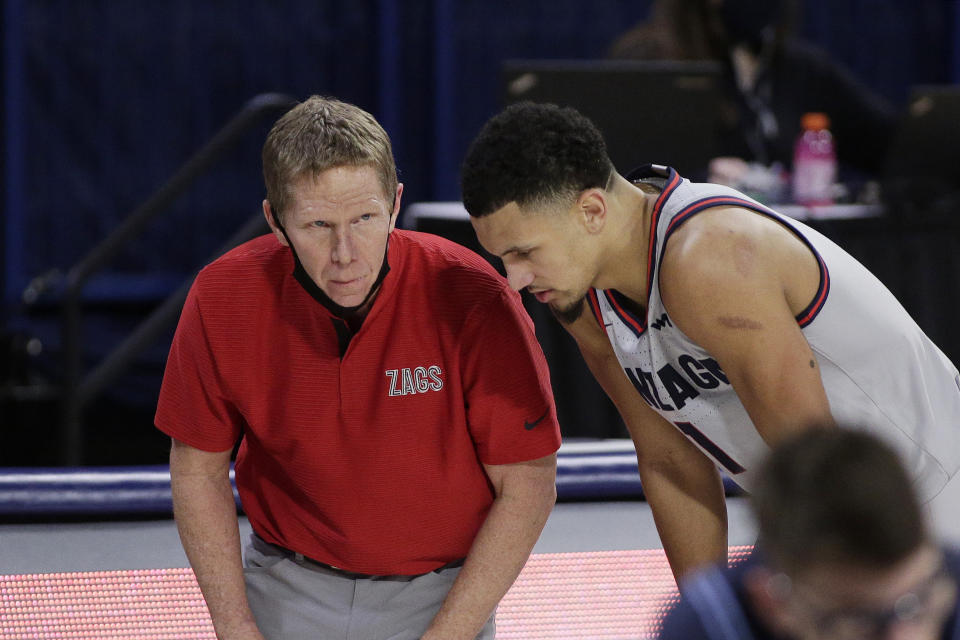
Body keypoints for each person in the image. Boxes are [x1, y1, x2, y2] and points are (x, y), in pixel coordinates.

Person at [460, 101, 960, 584]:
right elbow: (670, 461)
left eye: (524, 252)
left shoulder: (709, 257)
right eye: (504, 258)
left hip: (931, 497)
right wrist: (707, 617)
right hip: (853, 508)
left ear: (591, 210)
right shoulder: (581, 296)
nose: (516, 280)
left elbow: (814, 464)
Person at [155, 96, 562, 640]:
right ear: (276, 220)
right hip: (285, 584)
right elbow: (197, 469)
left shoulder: (474, 296)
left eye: (365, 218)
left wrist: (451, 634)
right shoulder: (222, 296)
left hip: (442, 595)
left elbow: (529, 482)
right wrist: (234, 626)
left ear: (395, 204)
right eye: (318, 224)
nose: (345, 252)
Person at [659, 428, 960, 640]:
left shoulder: (951, 581)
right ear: (773, 602)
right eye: (864, 623)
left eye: (919, 603)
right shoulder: (705, 625)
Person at [608, 0, 896, 184]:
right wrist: (697, 178)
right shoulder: (649, 59)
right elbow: (621, 170)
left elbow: (887, 144)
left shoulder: (801, 67)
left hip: (785, 246)